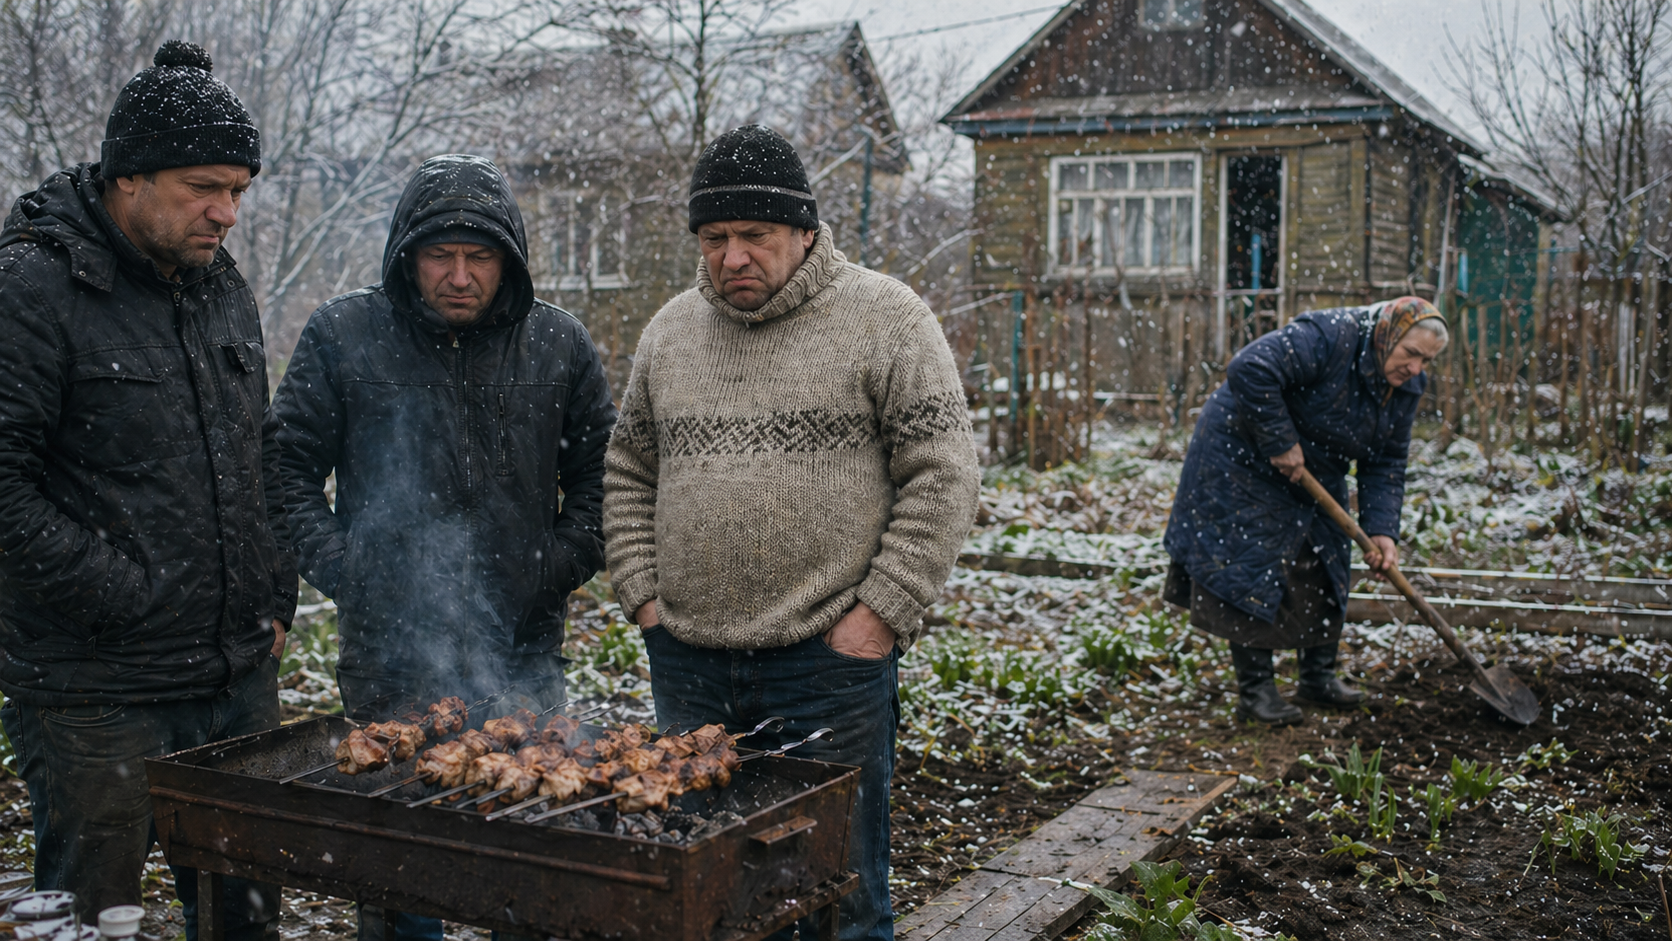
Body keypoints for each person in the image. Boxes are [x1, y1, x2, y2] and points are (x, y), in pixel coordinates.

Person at [602, 124, 981, 941]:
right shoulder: (670, 333)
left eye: (754, 236)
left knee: (838, 895)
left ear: (805, 232)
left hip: (827, 665)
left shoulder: (886, 317)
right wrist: (645, 602)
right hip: (691, 663)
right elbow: (629, 471)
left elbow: (945, 471)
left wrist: (878, 615)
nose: (732, 256)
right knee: (707, 889)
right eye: (714, 238)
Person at [273, 154, 615, 941]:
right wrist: (349, 570)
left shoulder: (557, 344)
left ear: (509, 259)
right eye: (440, 255)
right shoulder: (343, 335)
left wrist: (550, 570)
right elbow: (285, 470)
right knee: (400, 879)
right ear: (406, 256)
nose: (460, 276)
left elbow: (605, 480)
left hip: (522, 655)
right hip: (389, 661)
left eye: (480, 256)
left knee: (526, 874)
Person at [0, 41, 291, 937]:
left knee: (242, 915)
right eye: (205, 187)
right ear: (128, 178)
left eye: (239, 190)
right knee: (97, 917)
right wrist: (124, 592)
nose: (227, 212)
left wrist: (275, 587)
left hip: (236, 675)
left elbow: (260, 449)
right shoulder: (33, 288)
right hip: (97, 692)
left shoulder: (218, 283)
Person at [1163, 296, 1449, 725]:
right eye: (1411, 353)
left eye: (1426, 361)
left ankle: (1317, 678)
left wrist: (1383, 530)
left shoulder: (1405, 386)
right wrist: (1279, 440)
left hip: (1313, 463)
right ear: (1387, 335)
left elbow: (1386, 461)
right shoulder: (1331, 336)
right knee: (1255, 564)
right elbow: (1250, 368)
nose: (1415, 369)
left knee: (1327, 558)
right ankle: (1256, 693)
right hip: (1242, 455)